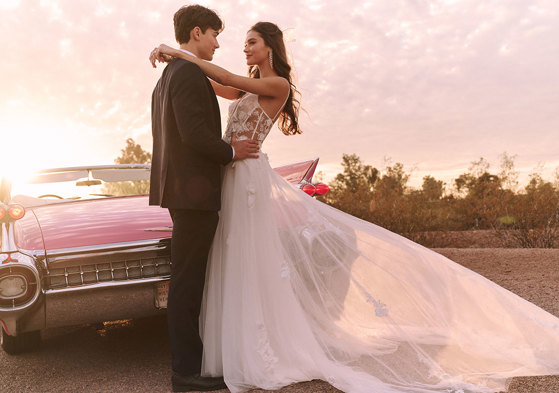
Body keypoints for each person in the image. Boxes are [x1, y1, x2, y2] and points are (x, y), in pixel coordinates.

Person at [150, 22, 559, 393]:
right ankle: (226, 347)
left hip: (249, 174)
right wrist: (180, 61)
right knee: (230, 256)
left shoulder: (276, 87)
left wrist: (176, 50)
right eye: (239, 43)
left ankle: (258, 346)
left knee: (249, 256)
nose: (240, 48)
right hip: (232, 175)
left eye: (250, 43)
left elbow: (219, 75)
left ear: (270, 47)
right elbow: (217, 82)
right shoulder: (246, 87)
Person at [148, 5, 259, 392]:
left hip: (181, 191)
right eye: (214, 35)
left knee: (188, 279)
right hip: (193, 194)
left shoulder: (169, 75)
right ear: (197, 33)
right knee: (187, 282)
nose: (217, 43)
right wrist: (232, 152)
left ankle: (189, 364)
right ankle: (185, 371)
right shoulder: (187, 72)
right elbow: (194, 134)